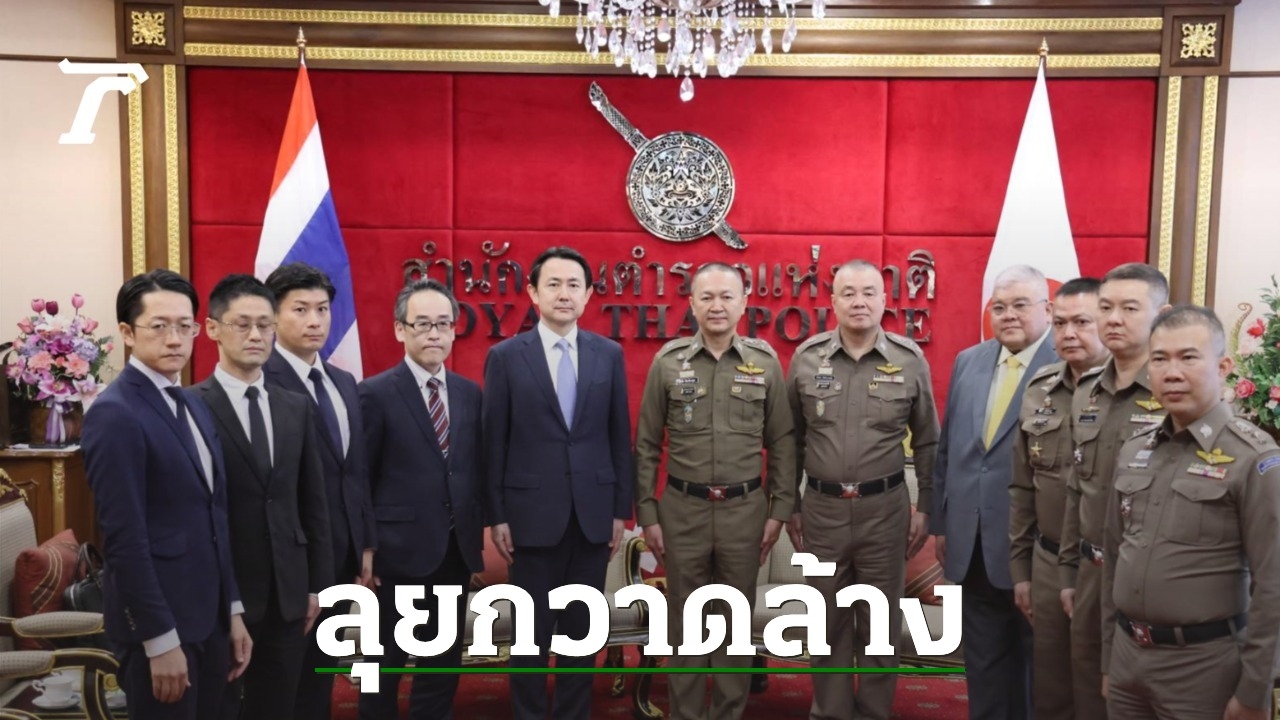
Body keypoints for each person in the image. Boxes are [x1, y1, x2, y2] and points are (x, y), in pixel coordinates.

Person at [82, 269, 251, 720]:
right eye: (159, 326)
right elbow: (124, 539)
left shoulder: (192, 401)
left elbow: (215, 517)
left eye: (184, 326)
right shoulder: (115, 413)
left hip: (211, 619)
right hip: (161, 629)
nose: (175, 339)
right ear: (127, 333)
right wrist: (158, 639)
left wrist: (233, 611)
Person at [1101, 305, 1280, 720]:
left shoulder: (1253, 458)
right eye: (1160, 359)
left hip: (1203, 667)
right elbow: (1112, 557)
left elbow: (1274, 585)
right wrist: (1109, 659)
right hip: (1128, 659)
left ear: (1223, 367)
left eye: (1188, 357)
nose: (1171, 372)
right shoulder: (1135, 450)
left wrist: (1255, 690)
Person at [634, 262, 796, 720]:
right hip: (682, 510)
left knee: (734, 624)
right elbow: (646, 445)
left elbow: (783, 442)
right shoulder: (668, 362)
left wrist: (779, 511)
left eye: (727, 296)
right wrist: (648, 514)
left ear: (744, 303)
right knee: (685, 624)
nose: (717, 305)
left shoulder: (765, 363)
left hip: (744, 512)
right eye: (707, 297)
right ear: (692, 304)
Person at [482, 246, 634, 720]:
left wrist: (620, 511)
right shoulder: (506, 357)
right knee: (530, 636)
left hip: (592, 516)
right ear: (533, 292)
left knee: (580, 634)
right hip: (529, 518)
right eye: (553, 284)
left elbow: (619, 436)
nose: (564, 294)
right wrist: (496, 515)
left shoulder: (608, 354)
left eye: (574, 285)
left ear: (588, 295)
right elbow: (493, 441)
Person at [786, 260, 939, 720]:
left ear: (884, 300)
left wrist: (926, 506)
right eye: (848, 293)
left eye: (869, 292)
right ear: (832, 301)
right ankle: (830, 712)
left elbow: (929, 440)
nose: (859, 301)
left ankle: (874, 712)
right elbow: (788, 440)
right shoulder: (806, 358)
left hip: (884, 511)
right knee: (827, 620)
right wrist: (790, 504)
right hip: (823, 511)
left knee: (880, 625)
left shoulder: (908, 359)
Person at [190, 274, 333, 720]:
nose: (256, 335)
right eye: (242, 324)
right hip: (220, 595)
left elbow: (313, 503)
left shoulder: (295, 406)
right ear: (213, 328)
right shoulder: (191, 406)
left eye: (265, 325)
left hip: (288, 596)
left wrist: (316, 586)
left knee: (280, 707)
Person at [930, 263, 1057, 720]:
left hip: (1037, 549)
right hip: (973, 543)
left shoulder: (1068, 366)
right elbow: (949, 451)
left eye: (1021, 305)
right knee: (983, 666)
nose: (1008, 315)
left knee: (1039, 674)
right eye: (999, 307)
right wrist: (942, 523)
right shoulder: (970, 360)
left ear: (1048, 309)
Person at [357, 279, 485, 720]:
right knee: (382, 666)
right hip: (394, 557)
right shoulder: (373, 393)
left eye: (443, 324)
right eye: (423, 324)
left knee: (441, 667)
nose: (434, 333)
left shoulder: (469, 393)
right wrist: (367, 547)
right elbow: (360, 479)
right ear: (400, 329)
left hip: (454, 551)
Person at [262, 263, 377, 719]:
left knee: (319, 677)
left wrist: (365, 543)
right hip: (290, 561)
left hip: (343, 554)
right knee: (281, 683)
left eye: (323, 309)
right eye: (301, 309)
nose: (315, 320)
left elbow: (357, 471)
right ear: (273, 315)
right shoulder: (260, 381)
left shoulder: (342, 381)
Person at [1059, 263, 1168, 717]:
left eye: (1130, 308)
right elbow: (1076, 488)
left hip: (1149, 581)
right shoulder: (1086, 390)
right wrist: (1068, 570)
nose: (1114, 319)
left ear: (1161, 315)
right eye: (1105, 308)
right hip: (1091, 571)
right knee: (1087, 695)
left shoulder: (1174, 390)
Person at [1009, 277, 1109, 720]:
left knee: (1100, 695)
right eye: (1061, 323)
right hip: (1047, 561)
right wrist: (1021, 570)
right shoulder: (1040, 388)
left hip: (1104, 565)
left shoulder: (1142, 394)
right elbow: (1022, 487)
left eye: (1082, 322)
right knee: (1050, 693)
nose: (1069, 333)